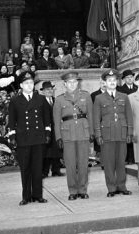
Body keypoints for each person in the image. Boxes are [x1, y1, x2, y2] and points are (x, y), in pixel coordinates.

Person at [7, 72, 51, 206]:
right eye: (26, 83)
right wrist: (12, 136)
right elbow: (12, 120)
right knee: (25, 169)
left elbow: (46, 119)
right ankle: (26, 196)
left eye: (31, 83)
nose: (29, 85)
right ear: (21, 85)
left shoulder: (41, 99)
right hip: (23, 139)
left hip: (38, 138)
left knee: (37, 168)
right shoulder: (15, 100)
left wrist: (47, 133)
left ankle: (38, 195)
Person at [54, 72, 94, 200]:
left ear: (78, 83)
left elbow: (91, 116)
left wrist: (92, 132)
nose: (72, 84)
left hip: (83, 132)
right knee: (70, 164)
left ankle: (82, 189)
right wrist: (58, 137)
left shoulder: (86, 96)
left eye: (74, 82)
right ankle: (72, 191)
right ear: (64, 84)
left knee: (83, 163)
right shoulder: (59, 99)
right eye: (69, 82)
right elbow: (56, 120)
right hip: (67, 134)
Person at [93, 69, 134, 197]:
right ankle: (111, 187)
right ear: (105, 82)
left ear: (117, 81)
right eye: (109, 80)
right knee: (109, 163)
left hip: (121, 133)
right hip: (107, 135)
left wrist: (130, 133)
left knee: (121, 161)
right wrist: (98, 135)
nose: (112, 82)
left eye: (114, 80)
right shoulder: (99, 98)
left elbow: (129, 116)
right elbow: (96, 119)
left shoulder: (124, 97)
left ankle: (121, 186)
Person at [39, 81, 64, 178]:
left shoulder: (56, 100)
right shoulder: (41, 101)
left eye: (51, 89)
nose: (50, 91)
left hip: (56, 128)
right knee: (46, 151)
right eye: (47, 89)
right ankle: (44, 172)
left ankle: (56, 170)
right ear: (43, 91)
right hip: (46, 129)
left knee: (57, 149)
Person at [117, 69, 137, 164]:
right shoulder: (120, 90)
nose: (130, 79)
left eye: (131, 77)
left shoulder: (137, 88)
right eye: (127, 77)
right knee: (128, 137)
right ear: (124, 79)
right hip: (126, 116)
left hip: (137, 115)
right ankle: (129, 158)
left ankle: (137, 157)